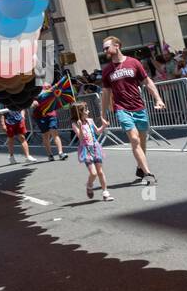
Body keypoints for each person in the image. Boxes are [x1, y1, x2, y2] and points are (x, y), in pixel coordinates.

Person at [100, 36, 165, 186]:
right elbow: (105, 93)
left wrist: (158, 99)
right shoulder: (107, 70)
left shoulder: (134, 63)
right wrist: (102, 115)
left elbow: (147, 82)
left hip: (138, 107)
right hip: (121, 109)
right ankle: (148, 173)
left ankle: (140, 168)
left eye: (106, 47)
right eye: (103, 49)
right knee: (134, 140)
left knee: (142, 141)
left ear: (117, 45)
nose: (105, 51)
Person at [70, 102, 113, 202]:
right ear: (80, 112)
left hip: (95, 147)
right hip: (85, 149)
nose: (88, 111)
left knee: (100, 172)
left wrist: (104, 126)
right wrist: (80, 127)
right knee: (93, 173)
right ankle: (89, 185)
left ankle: (105, 193)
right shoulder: (75, 124)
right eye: (86, 110)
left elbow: (97, 132)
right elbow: (80, 138)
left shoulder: (90, 121)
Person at [30, 81, 68, 161]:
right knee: (46, 135)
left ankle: (61, 153)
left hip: (51, 113)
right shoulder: (32, 88)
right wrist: (32, 102)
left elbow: (55, 94)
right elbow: (30, 100)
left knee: (54, 132)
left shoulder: (48, 85)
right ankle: (50, 154)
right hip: (40, 115)